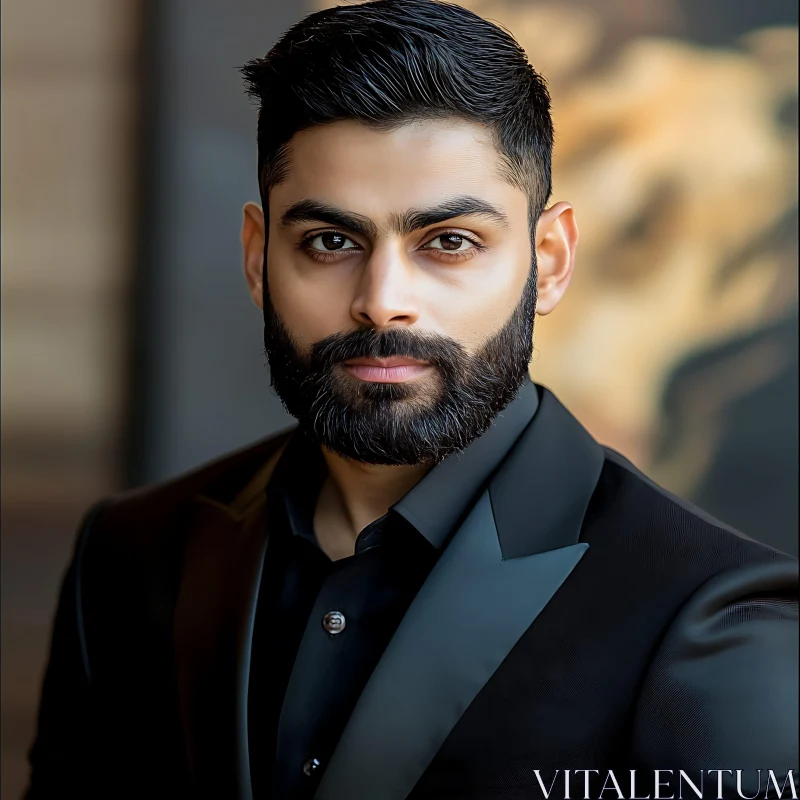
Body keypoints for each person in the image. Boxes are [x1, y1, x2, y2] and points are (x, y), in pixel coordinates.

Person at [26, 1, 798, 798]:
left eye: (449, 242)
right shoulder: (126, 557)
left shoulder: (712, 623)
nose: (382, 300)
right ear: (258, 257)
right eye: (330, 241)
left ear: (551, 260)